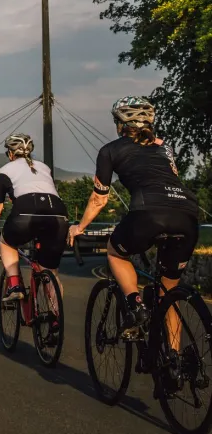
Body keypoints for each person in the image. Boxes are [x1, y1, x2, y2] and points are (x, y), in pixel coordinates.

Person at [69, 96, 199, 336]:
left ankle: (135, 304)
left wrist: (80, 227)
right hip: (188, 215)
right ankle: (174, 363)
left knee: (115, 252)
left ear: (120, 124)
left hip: (147, 214)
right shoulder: (166, 147)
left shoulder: (109, 150)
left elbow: (99, 198)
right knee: (169, 296)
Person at [0, 133, 69, 308]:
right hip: (58, 214)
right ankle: (55, 320)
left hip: (26, 212)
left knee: (7, 242)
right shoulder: (44, 168)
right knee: (50, 270)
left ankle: (14, 285)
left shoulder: (4, 171)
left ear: (10, 154)